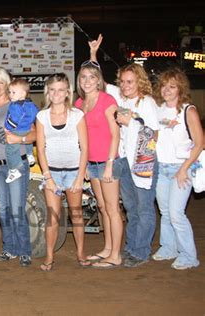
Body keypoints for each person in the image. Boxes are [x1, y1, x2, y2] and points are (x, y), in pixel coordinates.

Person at [91, 34, 160, 268]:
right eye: (123, 81)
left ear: (139, 82)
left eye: (130, 82)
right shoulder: (121, 98)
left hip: (144, 161)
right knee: (131, 208)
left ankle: (140, 252)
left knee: (144, 208)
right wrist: (93, 55)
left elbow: (155, 134)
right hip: (126, 162)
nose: (125, 85)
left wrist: (134, 122)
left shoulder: (146, 103)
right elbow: (98, 82)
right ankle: (131, 248)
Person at [0, 67, 34, 266]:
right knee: (3, 210)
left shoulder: (16, 105)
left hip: (16, 163)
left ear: (7, 85)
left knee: (16, 209)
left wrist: (18, 137)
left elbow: (35, 134)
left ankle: (24, 251)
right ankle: (9, 248)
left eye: (0, 83)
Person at [36, 73, 88, 271]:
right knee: (53, 216)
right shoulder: (41, 116)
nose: (56, 93)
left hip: (74, 172)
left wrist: (79, 177)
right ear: (48, 92)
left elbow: (85, 147)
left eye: (61, 90)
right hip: (52, 174)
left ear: (68, 92)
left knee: (76, 215)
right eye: (52, 89)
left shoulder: (77, 115)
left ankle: (81, 252)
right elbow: (40, 149)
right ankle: (49, 256)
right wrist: (48, 177)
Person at [75, 60, 122, 268]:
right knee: (102, 207)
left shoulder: (107, 100)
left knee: (112, 209)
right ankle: (108, 249)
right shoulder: (78, 104)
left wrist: (110, 163)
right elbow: (81, 139)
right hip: (92, 163)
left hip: (107, 161)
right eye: (83, 77)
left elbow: (115, 133)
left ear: (98, 80)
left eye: (92, 77)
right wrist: (83, 165)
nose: (87, 81)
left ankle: (116, 255)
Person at [153, 68, 202, 270]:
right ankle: (168, 247)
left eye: (172, 86)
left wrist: (184, 169)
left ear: (180, 88)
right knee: (165, 212)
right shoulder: (158, 109)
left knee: (176, 214)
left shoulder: (188, 110)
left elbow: (199, 143)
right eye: (164, 86)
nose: (167, 90)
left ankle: (189, 256)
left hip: (181, 168)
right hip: (161, 168)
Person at [4, 78, 38, 183]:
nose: (10, 95)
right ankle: (30, 155)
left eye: (14, 92)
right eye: (9, 92)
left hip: (17, 131)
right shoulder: (30, 104)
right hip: (27, 129)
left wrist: (7, 127)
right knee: (28, 143)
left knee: (10, 150)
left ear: (23, 94)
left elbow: (14, 120)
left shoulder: (15, 106)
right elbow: (36, 113)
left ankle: (13, 170)